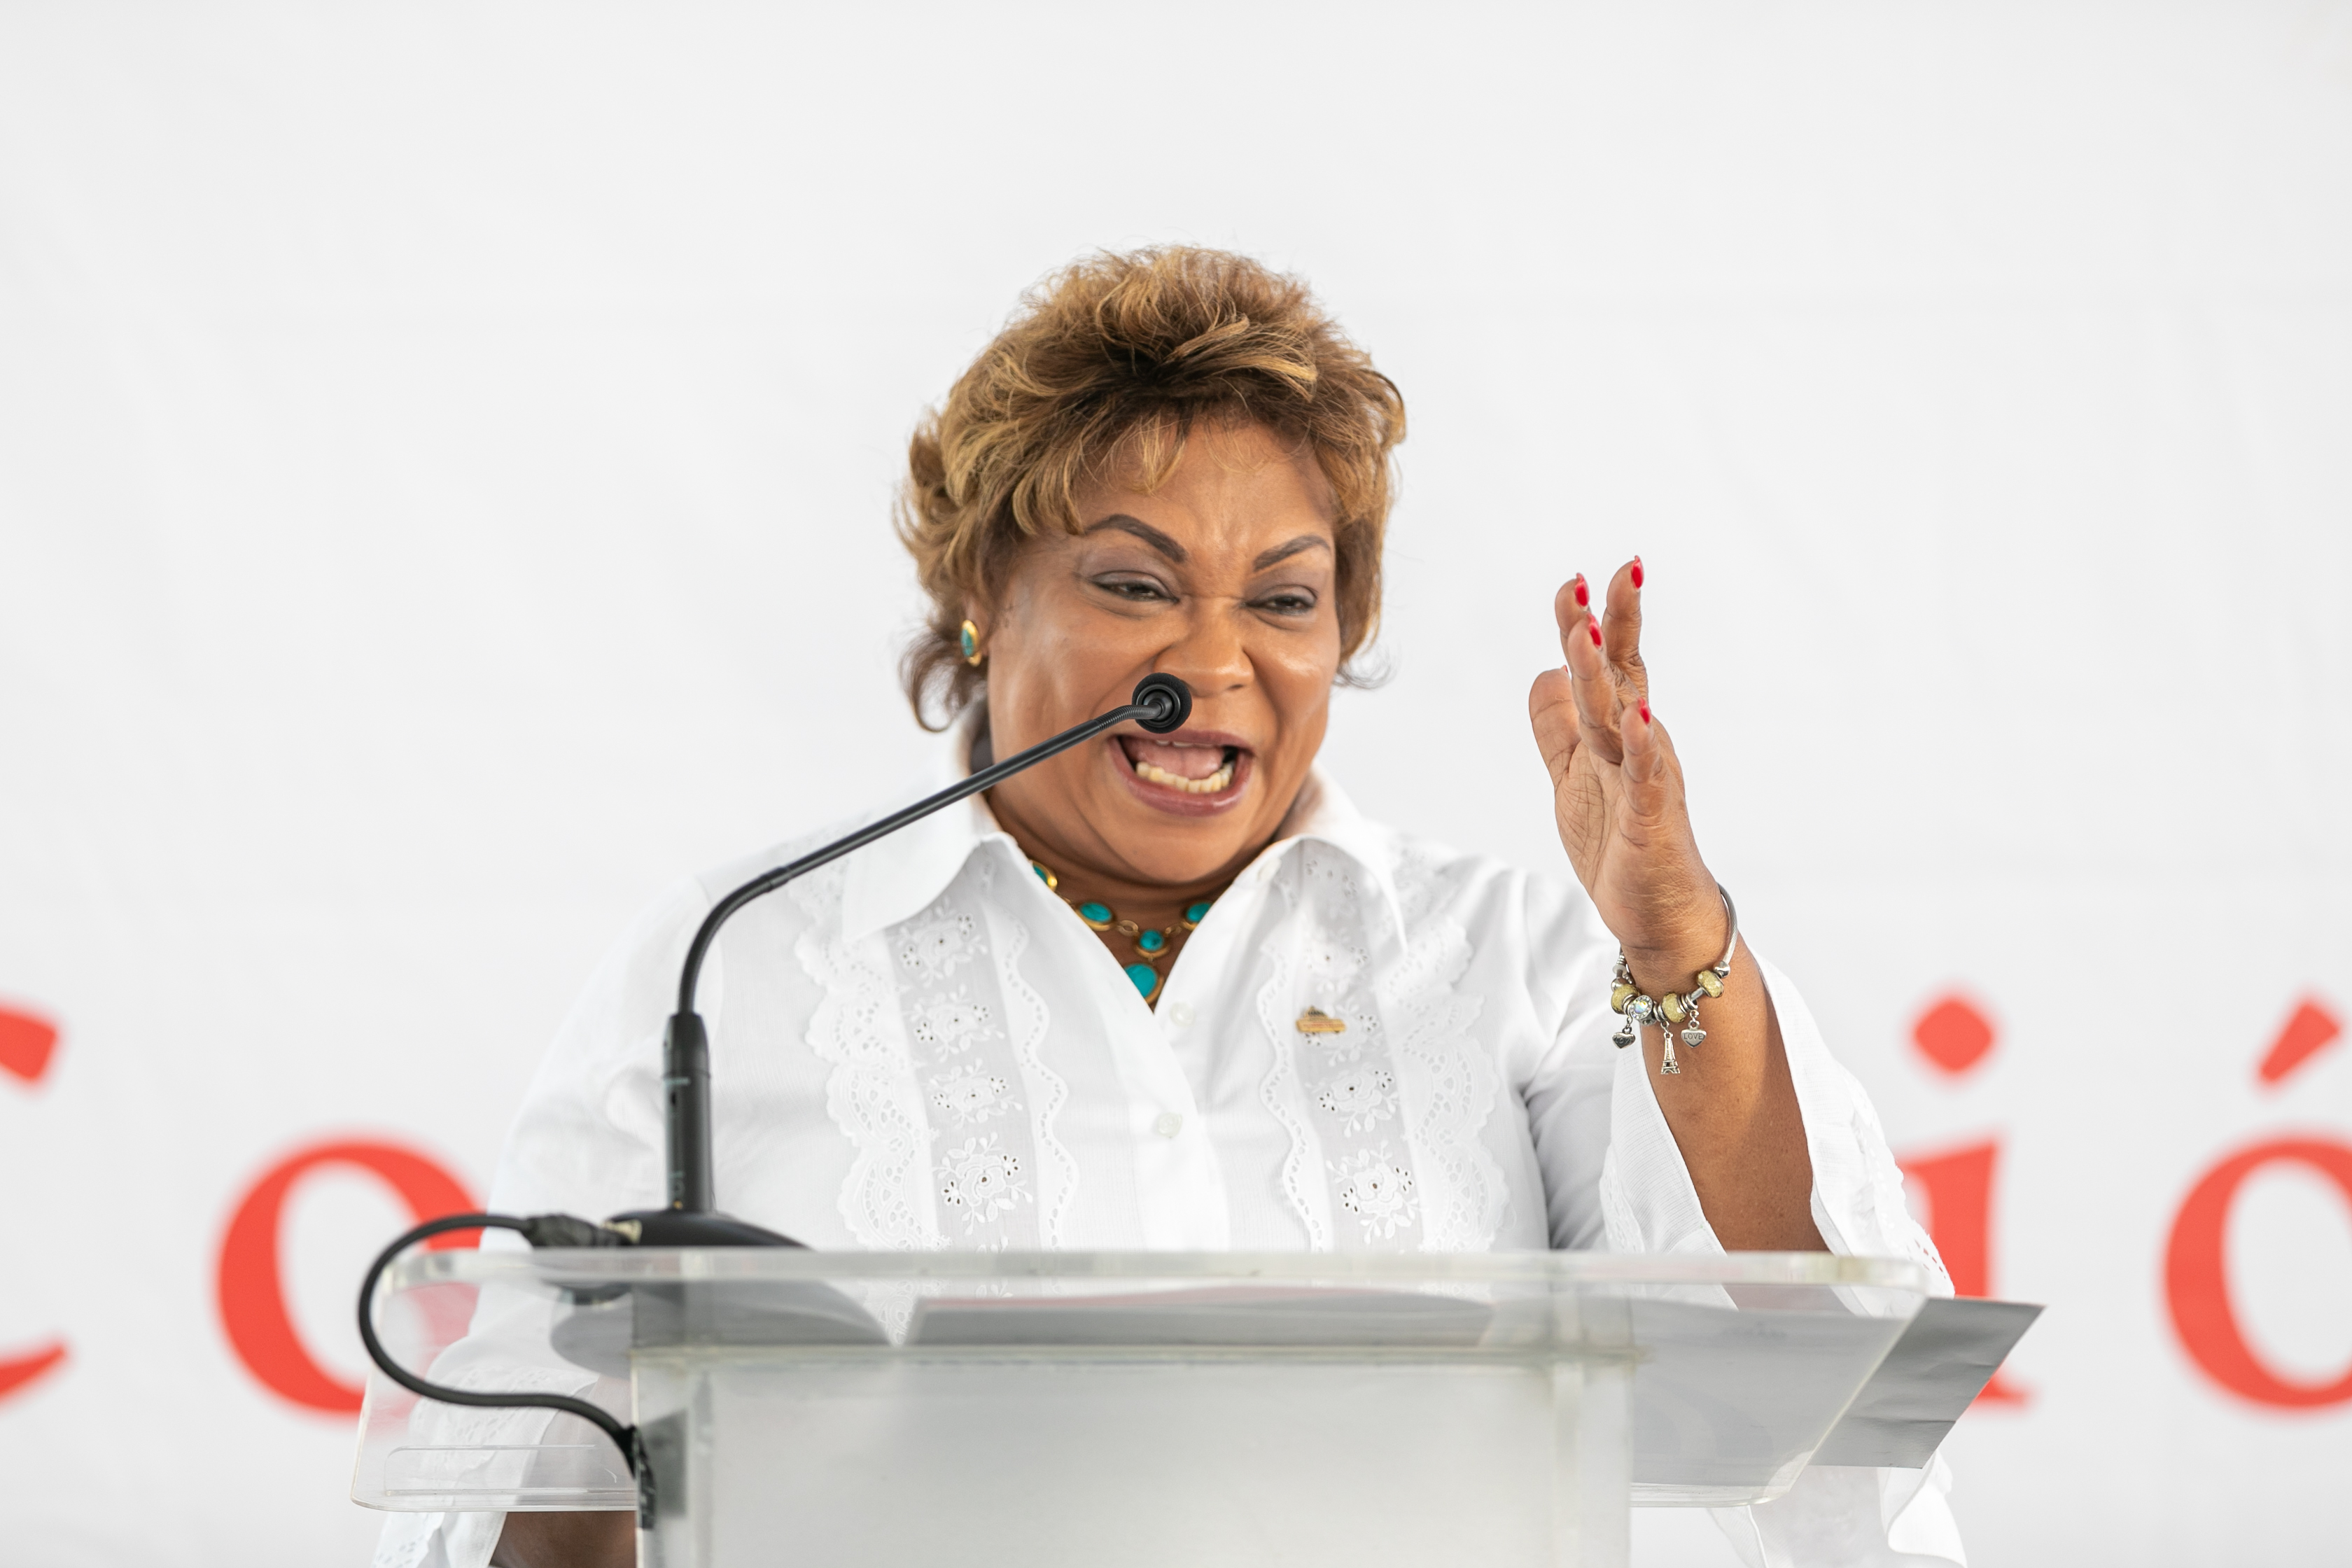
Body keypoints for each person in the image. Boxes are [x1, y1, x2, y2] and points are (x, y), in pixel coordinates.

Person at [383, 247, 1959, 1568]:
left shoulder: (1511, 957)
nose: (1211, 662)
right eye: (1135, 585)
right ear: (984, 596)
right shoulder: (733, 964)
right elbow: (496, 1486)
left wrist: (1675, 941)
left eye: (1283, 598)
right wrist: (631, 1436)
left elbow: (1813, 1373)